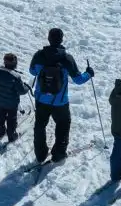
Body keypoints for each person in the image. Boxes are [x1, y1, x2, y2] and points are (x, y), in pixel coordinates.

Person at [28, 27, 94, 163]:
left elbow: (32, 72)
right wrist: (89, 73)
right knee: (63, 125)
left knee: (40, 125)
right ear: (61, 39)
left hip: (41, 99)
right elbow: (78, 80)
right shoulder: (67, 58)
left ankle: (40, 154)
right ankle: (59, 153)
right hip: (60, 101)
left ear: (49, 38)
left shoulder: (39, 55)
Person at [0, 52, 32, 143]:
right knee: (12, 118)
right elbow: (21, 91)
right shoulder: (15, 77)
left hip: (0, 100)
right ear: (15, 64)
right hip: (12, 103)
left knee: (0, 116)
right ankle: (12, 135)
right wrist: (27, 87)